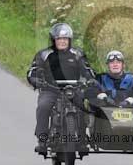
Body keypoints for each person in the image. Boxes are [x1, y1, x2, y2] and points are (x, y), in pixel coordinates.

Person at [27, 23, 95, 152]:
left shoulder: (78, 54)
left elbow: (88, 71)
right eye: (59, 39)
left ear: (70, 40)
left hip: (73, 90)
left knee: (82, 108)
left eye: (65, 39)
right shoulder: (43, 54)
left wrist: (90, 80)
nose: (62, 41)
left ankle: (81, 141)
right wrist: (36, 80)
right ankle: (42, 140)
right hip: (50, 89)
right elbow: (32, 71)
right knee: (43, 106)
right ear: (54, 40)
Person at [88, 50, 133, 140]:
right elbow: (90, 92)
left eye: (118, 62)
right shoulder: (100, 78)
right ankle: (92, 134)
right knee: (90, 104)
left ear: (123, 65)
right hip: (105, 110)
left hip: (129, 108)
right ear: (108, 65)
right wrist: (104, 98)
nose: (115, 64)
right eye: (112, 62)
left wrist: (128, 101)